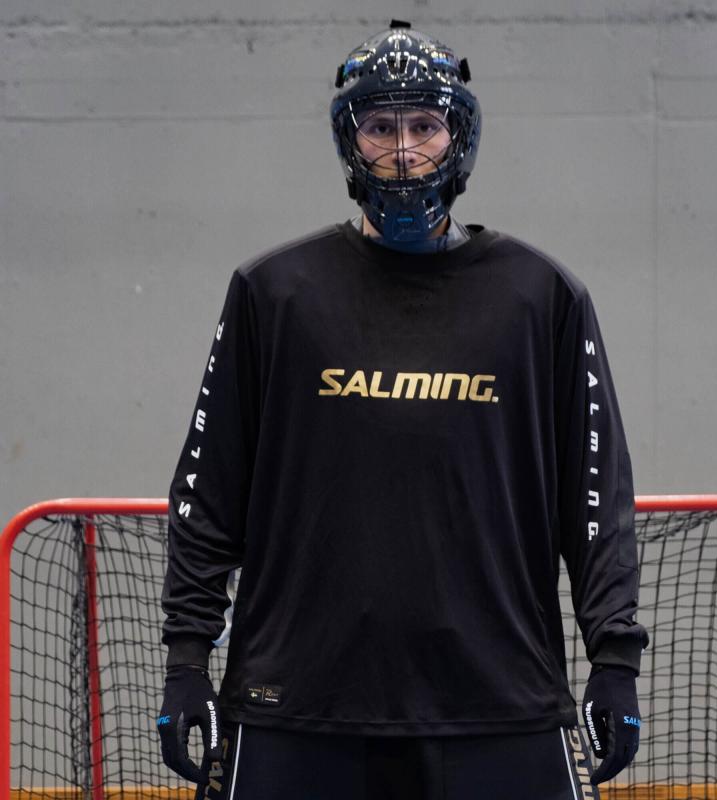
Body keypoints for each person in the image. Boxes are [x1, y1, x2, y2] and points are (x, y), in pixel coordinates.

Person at [157, 19, 648, 800]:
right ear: (349, 142)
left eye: (424, 125)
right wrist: (187, 660)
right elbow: (207, 495)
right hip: (297, 710)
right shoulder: (274, 295)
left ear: (460, 136)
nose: (404, 150)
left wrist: (614, 657)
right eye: (381, 128)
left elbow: (595, 501)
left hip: (500, 706)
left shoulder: (542, 298)